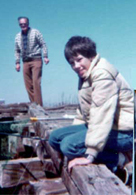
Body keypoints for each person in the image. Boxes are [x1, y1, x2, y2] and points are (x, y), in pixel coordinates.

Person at [49, 36, 133, 177]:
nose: (76, 66)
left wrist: (90, 154)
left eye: (79, 59)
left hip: (124, 132)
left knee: (68, 146)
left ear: (91, 56)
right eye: (72, 63)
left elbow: (102, 114)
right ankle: (111, 154)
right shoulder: (86, 74)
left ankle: (122, 159)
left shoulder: (102, 74)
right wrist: (75, 134)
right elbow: (83, 111)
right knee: (55, 138)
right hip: (107, 127)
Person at [15, 16, 49, 106]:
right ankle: (34, 105)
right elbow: (17, 50)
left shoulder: (35, 32)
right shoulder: (18, 36)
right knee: (28, 85)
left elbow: (43, 44)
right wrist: (17, 62)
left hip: (36, 59)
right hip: (25, 61)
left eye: (24, 23)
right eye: (21, 24)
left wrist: (45, 56)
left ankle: (39, 106)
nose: (23, 25)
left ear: (28, 23)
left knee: (36, 83)